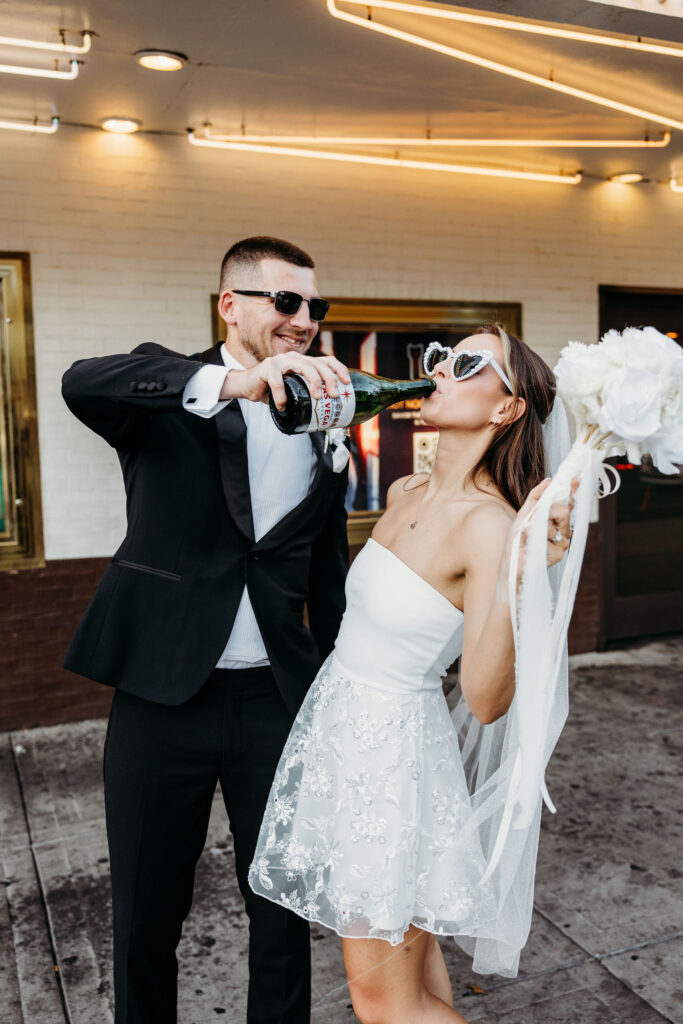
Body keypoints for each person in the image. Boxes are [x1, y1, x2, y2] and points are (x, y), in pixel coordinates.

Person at [61, 236, 352, 1024]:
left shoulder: (329, 422)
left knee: (282, 917)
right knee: (146, 916)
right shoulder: (171, 392)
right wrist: (233, 382)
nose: (302, 320)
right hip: (162, 698)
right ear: (232, 304)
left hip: (275, 705)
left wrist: (341, 696)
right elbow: (81, 381)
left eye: (314, 307)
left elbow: (327, 579)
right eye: (284, 301)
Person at [248, 324, 575, 1024]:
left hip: (390, 762)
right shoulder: (403, 491)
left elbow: (486, 700)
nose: (439, 371)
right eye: (439, 359)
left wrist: (520, 581)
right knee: (413, 983)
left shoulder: (490, 527)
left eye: (466, 364)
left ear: (505, 408)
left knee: (379, 1001)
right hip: (342, 731)